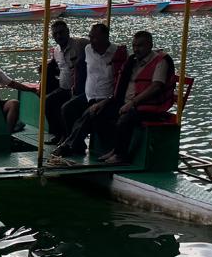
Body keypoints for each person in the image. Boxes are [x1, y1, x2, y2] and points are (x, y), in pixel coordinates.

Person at [50, 22, 126, 161]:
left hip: (107, 98)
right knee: (67, 108)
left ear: (105, 37)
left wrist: (107, 100)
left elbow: (121, 82)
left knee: (89, 113)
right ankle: (77, 145)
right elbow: (79, 68)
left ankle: (68, 145)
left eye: (95, 38)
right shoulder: (88, 49)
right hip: (89, 95)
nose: (91, 40)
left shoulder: (117, 53)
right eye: (90, 37)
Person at [102, 30, 175, 164]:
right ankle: (115, 149)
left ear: (150, 45)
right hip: (132, 103)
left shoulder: (160, 61)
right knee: (103, 112)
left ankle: (121, 156)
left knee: (125, 119)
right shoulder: (133, 61)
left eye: (140, 46)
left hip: (151, 108)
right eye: (134, 46)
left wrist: (132, 103)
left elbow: (156, 86)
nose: (136, 49)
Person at [43, 19, 86, 141]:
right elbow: (57, 66)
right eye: (55, 34)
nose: (58, 36)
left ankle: (68, 138)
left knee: (66, 108)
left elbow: (97, 47)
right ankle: (58, 134)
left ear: (68, 31)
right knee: (48, 101)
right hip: (64, 88)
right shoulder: (56, 50)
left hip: (79, 89)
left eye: (61, 32)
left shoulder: (80, 44)